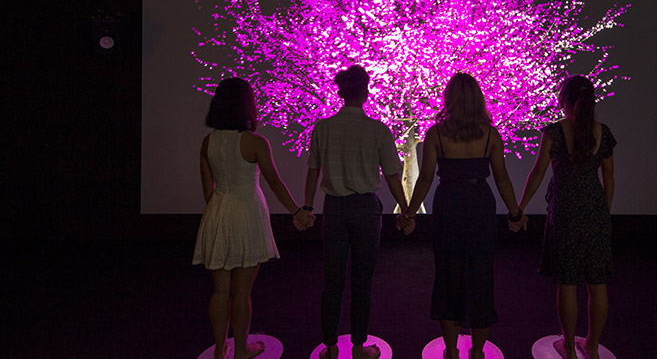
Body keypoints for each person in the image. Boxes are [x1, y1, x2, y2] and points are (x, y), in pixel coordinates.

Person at [400, 73, 525, 359]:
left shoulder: (436, 134)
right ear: (478, 99)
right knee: (481, 276)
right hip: (480, 205)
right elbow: (502, 179)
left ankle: (451, 351)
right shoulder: (491, 135)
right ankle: (478, 352)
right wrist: (516, 213)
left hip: (449, 205)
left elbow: (425, 179)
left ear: (449, 99)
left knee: (449, 277)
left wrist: (409, 214)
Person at [193, 77, 315, 359]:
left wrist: (221, 211)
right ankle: (241, 350)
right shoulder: (255, 142)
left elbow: (208, 193)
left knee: (220, 291)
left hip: (217, 214)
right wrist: (297, 212)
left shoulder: (208, 142)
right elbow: (275, 183)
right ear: (246, 106)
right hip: (247, 215)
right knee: (242, 291)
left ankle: (220, 350)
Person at [304, 65, 410, 359]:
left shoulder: (323, 127)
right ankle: (359, 346)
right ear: (365, 92)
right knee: (362, 280)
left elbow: (313, 172)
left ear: (340, 91)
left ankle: (330, 347)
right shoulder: (378, 130)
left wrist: (307, 207)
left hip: (334, 209)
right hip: (365, 209)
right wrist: (406, 210)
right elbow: (392, 176)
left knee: (332, 279)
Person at [513, 75, 616, 359]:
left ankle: (569, 347)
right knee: (597, 282)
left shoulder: (554, 132)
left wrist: (519, 207)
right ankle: (592, 346)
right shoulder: (603, 132)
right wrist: (605, 215)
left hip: (566, 211)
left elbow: (538, 173)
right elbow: (608, 177)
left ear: (564, 101)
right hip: (595, 210)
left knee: (567, 282)